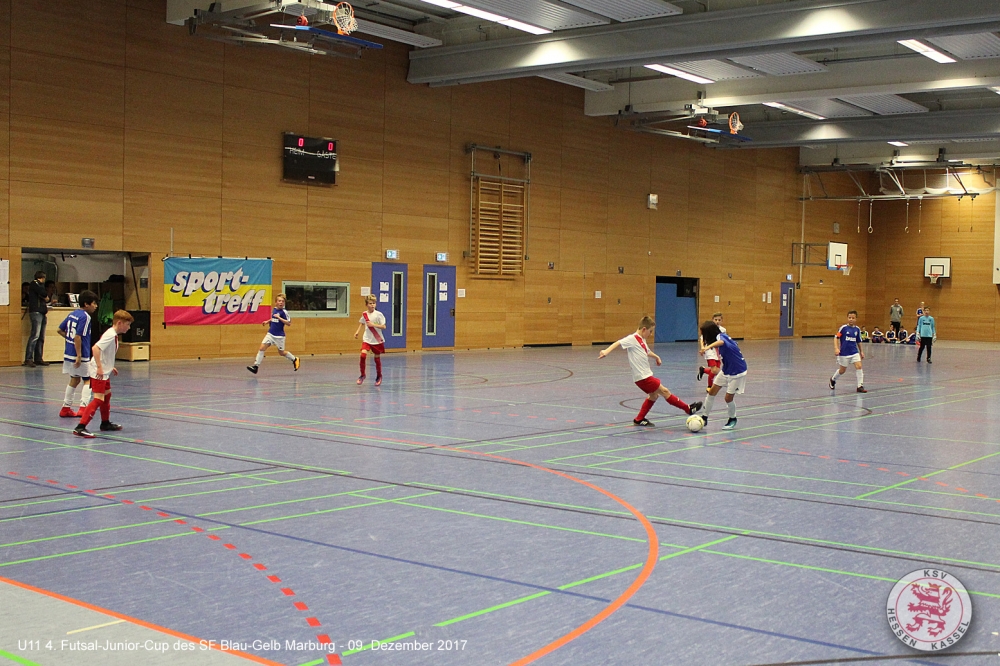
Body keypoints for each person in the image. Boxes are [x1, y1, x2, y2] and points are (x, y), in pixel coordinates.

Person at [598, 315, 701, 427]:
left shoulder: (642, 340)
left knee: (654, 396)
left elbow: (647, 351)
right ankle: (688, 409)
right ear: (644, 329)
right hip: (643, 377)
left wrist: (656, 357)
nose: (651, 334)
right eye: (650, 331)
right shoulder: (632, 338)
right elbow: (618, 343)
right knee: (665, 391)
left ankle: (639, 419)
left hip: (645, 376)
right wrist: (606, 351)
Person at [73, 310, 133, 438]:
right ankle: (80, 427)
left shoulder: (113, 334)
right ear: (119, 323)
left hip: (105, 371)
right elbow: (95, 348)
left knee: (107, 395)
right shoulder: (110, 335)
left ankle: (105, 423)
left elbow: (106, 353)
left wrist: (110, 366)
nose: (129, 328)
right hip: (98, 372)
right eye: (127, 324)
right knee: (98, 399)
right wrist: (100, 367)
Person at [696, 321, 747, 431]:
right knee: (711, 392)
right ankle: (704, 417)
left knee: (728, 398)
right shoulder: (722, 336)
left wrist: (707, 347)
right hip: (726, 369)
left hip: (737, 371)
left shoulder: (721, 337)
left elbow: (721, 342)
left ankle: (732, 418)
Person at [56, 291, 99, 418]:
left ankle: (66, 408)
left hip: (69, 352)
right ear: (86, 304)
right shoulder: (85, 317)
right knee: (88, 380)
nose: (96, 306)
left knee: (74, 379)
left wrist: (69, 340)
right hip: (81, 354)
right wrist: (79, 355)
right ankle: (83, 407)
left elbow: (59, 330)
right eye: (94, 303)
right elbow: (78, 336)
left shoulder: (72, 314)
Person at [247, 294, 300, 374]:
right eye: (279, 301)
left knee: (281, 352)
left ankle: (294, 359)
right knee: (261, 348)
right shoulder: (274, 309)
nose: (281, 302)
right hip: (270, 334)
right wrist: (267, 321)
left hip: (279, 336)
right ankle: (256, 366)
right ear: (276, 302)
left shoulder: (284, 312)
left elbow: (289, 323)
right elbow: (273, 318)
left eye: (282, 301)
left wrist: (279, 318)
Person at [830, 310, 866, 393]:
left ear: (856, 319)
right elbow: (836, 337)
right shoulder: (843, 328)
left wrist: (861, 351)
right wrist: (836, 348)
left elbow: (859, 341)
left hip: (854, 352)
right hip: (844, 353)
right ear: (847, 318)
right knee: (842, 370)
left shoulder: (857, 329)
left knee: (859, 366)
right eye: (849, 318)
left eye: (853, 318)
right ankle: (833, 379)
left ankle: (860, 386)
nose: (851, 319)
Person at [354, 294, 386, 386]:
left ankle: (379, 376)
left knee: (377, 358)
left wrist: (373, 325)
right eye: (370, 303)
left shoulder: (379, 315)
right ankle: (362, 375)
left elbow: (384, 326)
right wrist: (357, 332)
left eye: (374, 303)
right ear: (366, 304)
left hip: (376, 339)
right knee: (363, 355)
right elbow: (362, 323)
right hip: (367, 338)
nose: (372, 305)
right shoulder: (365, 314)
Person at [24, 271, 50, 367]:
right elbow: (44, 294)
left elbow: (45, 296)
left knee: (41, 337)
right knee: (35, 335)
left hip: (42, 312)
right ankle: (28, 358)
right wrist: (45, 296)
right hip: (36, 312)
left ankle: (38, 358)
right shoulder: (34, 284)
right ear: (42, 278)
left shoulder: (38, 285)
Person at [697, 312, 726, 389]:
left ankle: (703, 370)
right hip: (710, 351)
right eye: (715, 320)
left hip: (718, 351)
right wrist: (703, 348)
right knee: (714, 370)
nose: (717, 321)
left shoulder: (723, 330)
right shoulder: (708, 328)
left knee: (716, 371)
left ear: (722, 321)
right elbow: (702, 339)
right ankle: (709, 386)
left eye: (719, 320)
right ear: (712, 320)